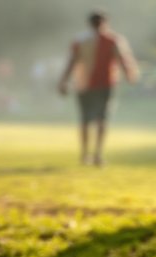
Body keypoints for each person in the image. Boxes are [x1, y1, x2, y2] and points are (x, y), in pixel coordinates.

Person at [58, 11, 139, 167]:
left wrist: (63, 81)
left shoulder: (81, 40)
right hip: (101, 84)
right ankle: (96, 154)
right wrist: (129, 74)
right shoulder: (112, 39)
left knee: (87, 120)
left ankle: (86, 154)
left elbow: (71, 62)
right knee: (100, 120)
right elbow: (122, 59)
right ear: (105, 23)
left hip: (86, 84)